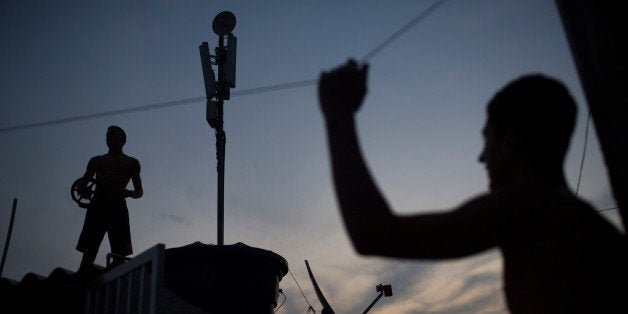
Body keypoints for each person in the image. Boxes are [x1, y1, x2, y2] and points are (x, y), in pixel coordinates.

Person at [318, 60, 627, 313]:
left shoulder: (526, 208)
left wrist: (338, 117)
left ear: (508, 141)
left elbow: (373, 233)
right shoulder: (593, 228)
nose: (481, 158)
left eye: (487, 139)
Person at [76, 125, 143, 270]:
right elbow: (81, 184)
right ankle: (81, 283)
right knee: (88, 252)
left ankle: (114, 282)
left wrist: (128, 193)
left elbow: (139, 192)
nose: (109, 137)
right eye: (107, 135)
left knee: (119, 255)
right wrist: (83, 191)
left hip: (117, 207)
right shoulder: (96, 161)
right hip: (97, 206)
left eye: (113, 134)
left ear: (122, 139)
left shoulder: (132, 163)